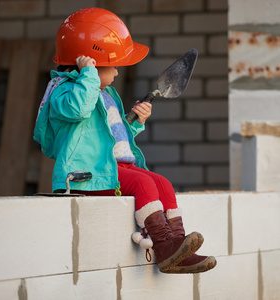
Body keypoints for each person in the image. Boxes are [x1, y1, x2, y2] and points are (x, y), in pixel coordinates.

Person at [34, 7, 216, 274]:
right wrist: (88, 77)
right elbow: (78, 110)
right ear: (92, 65)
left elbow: (112, 139)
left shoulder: (105, 94)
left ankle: (176, 245)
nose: (117, 73)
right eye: (113, 66)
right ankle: (164, 245)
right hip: (87, 175)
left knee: (161, 183)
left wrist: (133, 123)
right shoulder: (66, 92)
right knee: (143, 183)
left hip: (113, 167)